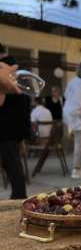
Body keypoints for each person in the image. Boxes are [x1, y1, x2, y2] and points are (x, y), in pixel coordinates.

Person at [0, 53, 30, 199]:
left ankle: (19, 197)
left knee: (12, 165)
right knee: (13, 165)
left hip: (6, 130)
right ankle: (19, 196)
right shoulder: (20, 78)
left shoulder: (5, 74)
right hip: (15, 130)